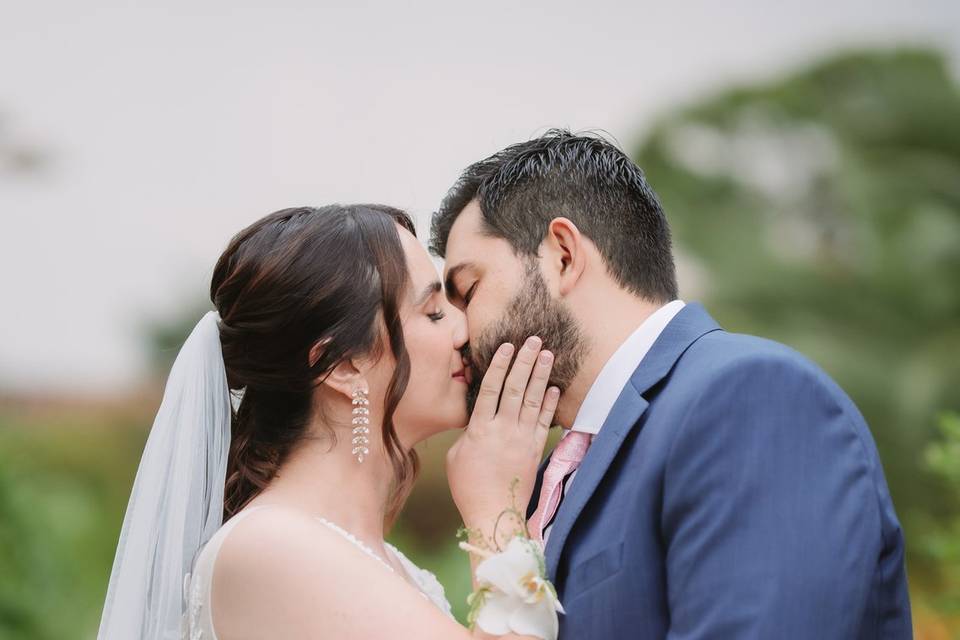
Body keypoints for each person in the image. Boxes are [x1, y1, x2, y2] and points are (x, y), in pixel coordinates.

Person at [430, 130, 914, 639]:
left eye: (468, 289)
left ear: (563, 256)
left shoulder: (749, 398)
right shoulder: (545, 477)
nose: (459, 331)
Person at [97, 204, 562, 639]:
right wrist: (494, 509)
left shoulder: (379, 560)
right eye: (434, 312)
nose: (464, 331)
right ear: (342, 365)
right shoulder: (271, 547)